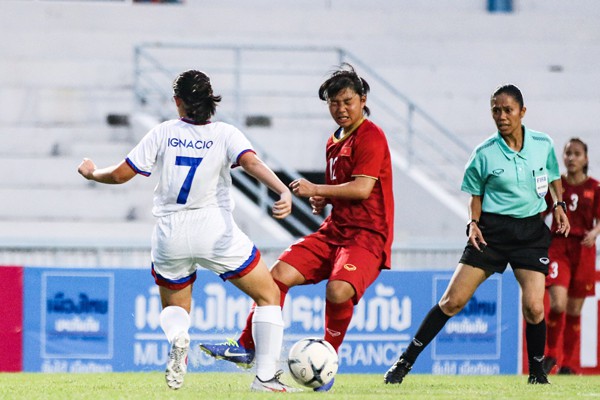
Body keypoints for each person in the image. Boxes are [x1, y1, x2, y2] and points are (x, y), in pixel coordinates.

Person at [77, 70, 301, 393]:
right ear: (212, 102)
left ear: (178, 102)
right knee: (268, 296)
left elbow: (121, 175)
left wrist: (92, 173)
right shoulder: (225, 134)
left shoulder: (164, 132)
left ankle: (179, 338)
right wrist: (283, 190)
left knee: (175, 310)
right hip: (214, 229)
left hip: (170, 232)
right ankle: (265, 378)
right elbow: (251, 163)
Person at [199, 63, 395, 392]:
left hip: (366, 236)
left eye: (347, 101)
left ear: (362, 100)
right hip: (335, 231)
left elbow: (362, 189)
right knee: (276, 277)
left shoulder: (371, 135)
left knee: (338, 290)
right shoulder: (335, 139)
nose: (341, 109)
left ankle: (327, 360)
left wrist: (317, 190)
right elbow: (345, 188)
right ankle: (247, 347)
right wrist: (325, 200)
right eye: (334, 103)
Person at [384, 84, 570, 385]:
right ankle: (404, 363)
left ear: (522, 112)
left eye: (507, 110)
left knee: (535, 307)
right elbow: (475, 195)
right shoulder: (483, 153)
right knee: (452, 301)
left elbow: (553, 176)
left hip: (530, 232)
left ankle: (537, 373)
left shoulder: (543, 143)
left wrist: (559, 203)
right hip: (491, 233)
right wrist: (473, 223)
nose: (501, 116)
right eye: (495, 110)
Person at [543, 138, 600, 375]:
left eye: (577, 154)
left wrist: (595, 232)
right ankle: (550, 355)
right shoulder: (556, 186)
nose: (571, 158)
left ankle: (568, 364)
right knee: (557, 303)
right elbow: (539, 214)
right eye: (567, 153)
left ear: (586, 158)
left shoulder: (595, 188)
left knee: (575, 311)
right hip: (558, 246)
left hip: (583, 250)